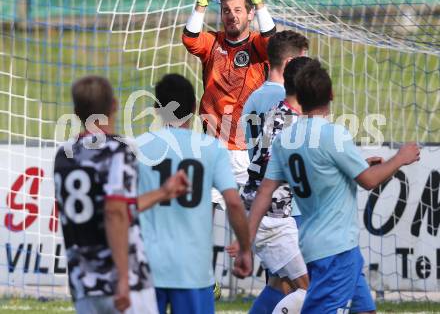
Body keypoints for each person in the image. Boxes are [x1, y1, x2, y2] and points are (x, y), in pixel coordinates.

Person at [248, 61, 420, 314]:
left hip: (321, 245)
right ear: (331, 95)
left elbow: (266, 190)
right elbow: (369, 180)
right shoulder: (334, 135)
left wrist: (245, 241)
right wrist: (400, 158)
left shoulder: (287, 139)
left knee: (365, 311)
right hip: (336, 250)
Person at [54, 76, 189, 314]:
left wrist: (162, 193)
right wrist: (124, 278)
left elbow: (116, 205)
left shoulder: (64, 155)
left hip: (83, 282)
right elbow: (115, 212)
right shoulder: (117, 150)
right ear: (114, 105)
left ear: (76, 112)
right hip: (121, 281)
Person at [136, 74, 252, 314]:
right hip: (193, 267)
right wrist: (245, 247)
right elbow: (233, 203)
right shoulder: (212, 148)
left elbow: (123, 206)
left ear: (157, 109)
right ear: (193, 108)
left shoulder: (137, 148)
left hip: (148, 265)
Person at [182, 0, 276, 201]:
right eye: (226, 11)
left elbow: (273, 42)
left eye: (238, 10)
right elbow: (190, 39)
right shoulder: (213, 42)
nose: (232, 16)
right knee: (204, 220)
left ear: (250, 13)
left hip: (249, 151)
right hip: (213, 148)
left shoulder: (257, 44)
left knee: (248, 223)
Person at [228, 57, 312, 314]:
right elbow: (272, 174)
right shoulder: (290, 123)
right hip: (271, 216)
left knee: (281, 285)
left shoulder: (283, 112)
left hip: (270, 212)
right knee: (309, 290)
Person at [242, 30, 309, 158]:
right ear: (290, 63)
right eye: (302, 61)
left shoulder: (252, 98)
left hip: (258, 175)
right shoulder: (287, 99)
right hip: (278, 176)